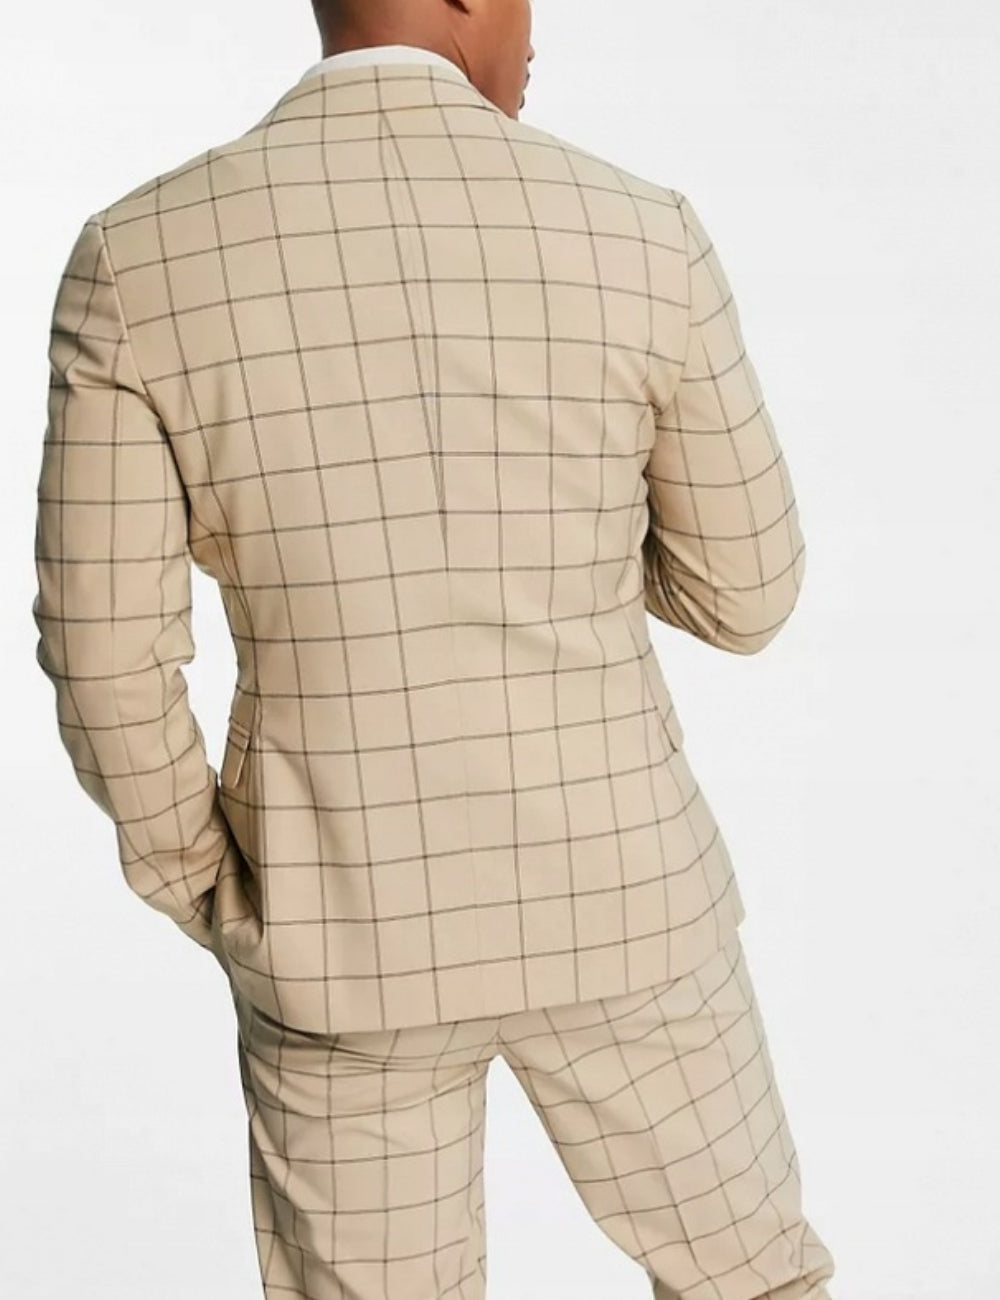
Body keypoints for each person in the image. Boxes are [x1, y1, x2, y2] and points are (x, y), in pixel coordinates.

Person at [31, 0, 837, 1295]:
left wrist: (217, 885)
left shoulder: (139, 256)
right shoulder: (639, 230)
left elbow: (100, 646)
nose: (538, 29)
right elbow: (748, 592)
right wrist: (569, 546)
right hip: (624, 905)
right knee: (758, 1284)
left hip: (339, 928)